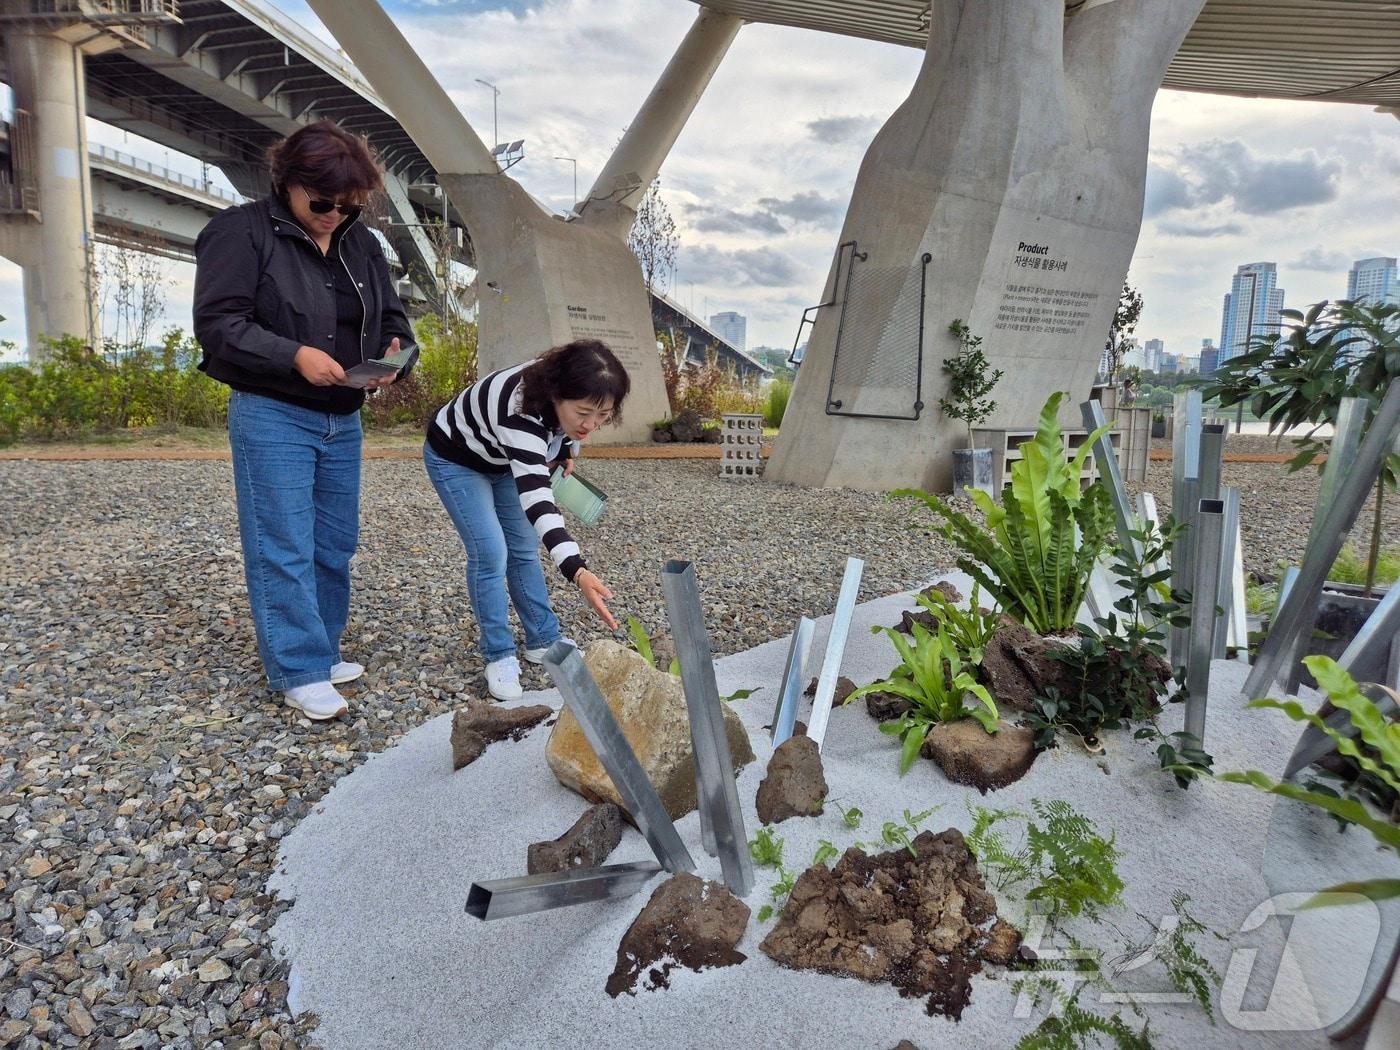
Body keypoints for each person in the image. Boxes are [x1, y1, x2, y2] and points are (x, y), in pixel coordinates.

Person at [193, 120, 415, 721]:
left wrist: (396, 352)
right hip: (272, 411)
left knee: (334, 543)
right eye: (321, 203)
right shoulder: (239, 233)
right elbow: (219, 325)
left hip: (343, 414)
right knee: (282, 543)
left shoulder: (361, 243)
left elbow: (392, 316)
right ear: (285, 182)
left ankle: (321, 647)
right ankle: (297, 665)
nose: (333, 216)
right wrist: (293, 354)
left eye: (348, 206)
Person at [424, 340, 626, 700]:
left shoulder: (564, 396)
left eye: (603, 415)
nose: (591, 424)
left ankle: (543, 639)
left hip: (503, 458)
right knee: (490, 552)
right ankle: (498, 653)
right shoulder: (520, 413)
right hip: (455, 457)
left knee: (523, 548)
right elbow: (538, 502)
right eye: (584, 413)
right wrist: (577, 570)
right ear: (556, 394)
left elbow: (561, 431)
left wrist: (565, 446)